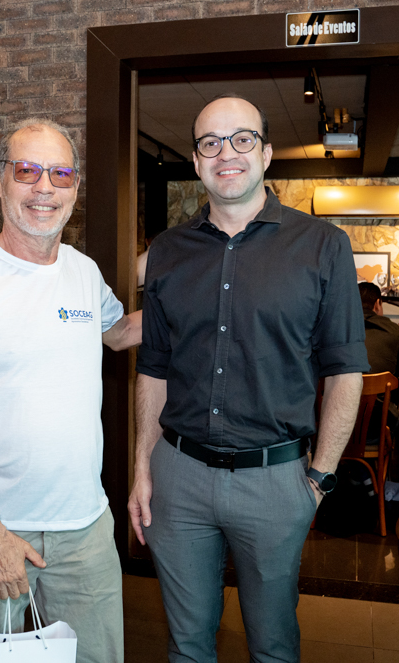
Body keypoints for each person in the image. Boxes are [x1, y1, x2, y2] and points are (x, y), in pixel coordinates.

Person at [130, 95, 369, 663]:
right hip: (178, 477)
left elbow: (345, 371)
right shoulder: (167, 252)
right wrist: (142, 467)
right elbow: (153, 369)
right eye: (210, 142)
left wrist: (320, 479)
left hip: (276, 480)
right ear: (196, 161)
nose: (226, 153)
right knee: (187, 645)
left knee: (273, 646)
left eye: (242, 139)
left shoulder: (323, 245)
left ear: (265, 153)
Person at [0, 118, 141, 663]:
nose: (45, 188)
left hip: (84, 532)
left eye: (60, 174)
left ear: (75, 187)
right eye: (27, 171)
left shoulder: (84, 272)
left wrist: (200, 287)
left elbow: (119, 333)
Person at [360, 281, 399, 378]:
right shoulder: (393, 330)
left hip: (345, 386)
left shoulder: (341, 328)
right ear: (377, 304)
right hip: (382, 387)